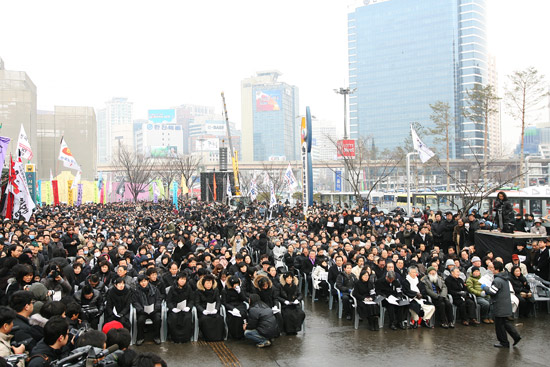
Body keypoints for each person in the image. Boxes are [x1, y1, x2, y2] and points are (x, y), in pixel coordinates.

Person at [481, 261, 522, 348]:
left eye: (492, 268)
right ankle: (516, 336)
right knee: (505, 322)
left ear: (497, 269)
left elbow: (492, 292)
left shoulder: (497, 280)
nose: (491, 270)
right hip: (505, 304)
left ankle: (504, 342)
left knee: (499, 326)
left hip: (499, 306)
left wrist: (485, 287)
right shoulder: (505, 278)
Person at [132, 274, 163, 345]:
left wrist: (156, 308)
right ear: (139, 283)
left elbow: (159, 299)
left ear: (148, 281)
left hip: (153, 311)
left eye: (145, 281)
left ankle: (156, 337)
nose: (143, 283)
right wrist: (141, 310)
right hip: (143, 311)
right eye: (141, 282)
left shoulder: (154, 289)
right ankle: (140, 338)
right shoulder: (136, 291)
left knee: (158, 320)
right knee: (140, 321)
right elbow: (135, 302)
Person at [195, 274, 225, 342]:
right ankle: (208, 337)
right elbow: (197, 303)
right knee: (205, 320)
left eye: (210, 283)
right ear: (203, 283)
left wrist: (216, 309)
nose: (209, 285)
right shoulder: (198, 291)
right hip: (203, 311)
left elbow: (218, 301)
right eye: (207, 283)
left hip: (213, 310)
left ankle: (218, 337)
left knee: (219, 318)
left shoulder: (215, 290)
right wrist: (203, 311)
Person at [166, 273, 194, 343]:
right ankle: (175, 338)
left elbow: (191, 299)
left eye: (184, 279)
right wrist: (172, 308)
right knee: (173, 318)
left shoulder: (188, 288)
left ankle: (185, 338)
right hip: (175, 309)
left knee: (187, 318)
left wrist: (188, 307)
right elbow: (169, 300)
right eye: (181, 279)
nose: (182, 281)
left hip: (185, 308)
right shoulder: (172, 288)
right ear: (177, 280)